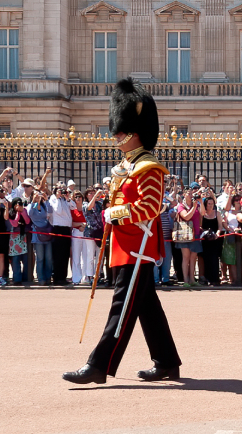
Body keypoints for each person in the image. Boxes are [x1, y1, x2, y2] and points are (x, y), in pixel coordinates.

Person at [62, 78, 182, 385]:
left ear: (135, 131)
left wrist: (115, 213)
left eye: (122, 130)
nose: (117, 135)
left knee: (122, 307)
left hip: (137, 248)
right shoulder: (127, 167)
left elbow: (152, 207)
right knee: (146, 307)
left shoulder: (148, 168)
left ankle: (99, 364)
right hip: (124, 246)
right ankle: (167, 362)